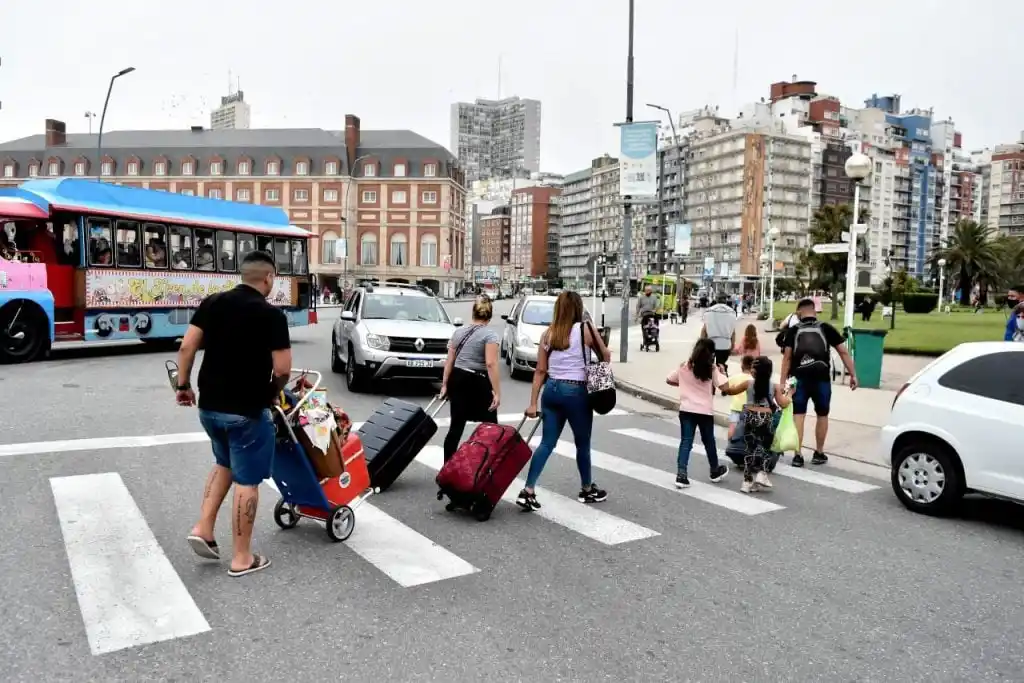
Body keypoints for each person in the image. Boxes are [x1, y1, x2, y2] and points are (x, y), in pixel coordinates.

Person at [174, 251, 291, 578]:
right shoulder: (272, 316)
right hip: (246, 412)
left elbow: (187, 348)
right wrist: (269, 393)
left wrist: (182, 386)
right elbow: (282, 369)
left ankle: (203, 528)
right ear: (268, 278)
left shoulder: (213, 303)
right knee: (247, 480)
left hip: (210, 407)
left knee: (224, 462)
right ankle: (242, 558)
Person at [517, 291, 612, 510]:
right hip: (576, 392)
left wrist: (533, 403)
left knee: (547, 443)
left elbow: (540, 370)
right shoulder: (585, 328)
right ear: (578, 308)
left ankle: (528, 490)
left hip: (551, 390)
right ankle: (587, 489)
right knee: (582, 443)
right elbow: (605, 355)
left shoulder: (548, 334)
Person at [779, 298, 857, 468]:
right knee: (822, 415)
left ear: (799, 312)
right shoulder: (825, 328)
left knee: (798, 416)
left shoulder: (793, 331)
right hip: (821, 380)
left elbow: (787, 358)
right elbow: (843, 352)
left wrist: (782, 383)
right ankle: (819, 452)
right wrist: (853, 374)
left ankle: (798, 455)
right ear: (814, 311)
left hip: (797, 380)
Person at [665, 338, 736, 488]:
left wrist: (683, 383)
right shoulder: (711, 369)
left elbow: (669, 380)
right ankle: (715, 470)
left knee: (686, 442)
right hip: (705, 411)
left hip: (686, 410)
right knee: (709, 441)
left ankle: (681, 475)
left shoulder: (685, 366)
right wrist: (722, 371)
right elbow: (725, 387)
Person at [440, 296, 501, 462]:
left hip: (458, 378)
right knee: (491, 428)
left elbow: (450, 361)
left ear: (473, 313)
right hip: (478, 382)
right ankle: (485, 467)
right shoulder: (490, 336)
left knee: (456, 427)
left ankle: (448, 468)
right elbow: (490, 364)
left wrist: (445, 384)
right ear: (490, 315)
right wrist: (496, 392)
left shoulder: (458, 332)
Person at [726, 357, 793, 493]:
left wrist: (722, 377)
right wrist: (790, 394)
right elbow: (783, 403)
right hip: (765, 418)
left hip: (750, 417)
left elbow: (730, 390)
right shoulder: (773, 386)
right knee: (766, 447)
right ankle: (762, 474)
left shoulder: (747, 384)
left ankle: (746, 481)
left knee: (749, 449)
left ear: (754, 371)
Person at [701, 293, 737, 383]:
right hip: (725, 344)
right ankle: (724, 385)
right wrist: (732, 344)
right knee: (721, 365)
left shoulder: (708, 312)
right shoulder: (732, 312)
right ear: (725, 300)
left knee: (710, 365)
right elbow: (733, 332)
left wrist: (702, 343)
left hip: (711, 343)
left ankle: (711, 387)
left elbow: (704, 330)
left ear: (716, 299)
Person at [726, 355, 755, 439]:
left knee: (733, 426)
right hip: (748, 408)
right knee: (748, 430)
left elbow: (726, 386)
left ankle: (730, 442)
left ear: (742, 365)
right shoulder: (753, 379)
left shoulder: (736, 377)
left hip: (735, 407)